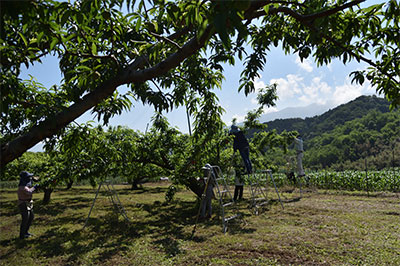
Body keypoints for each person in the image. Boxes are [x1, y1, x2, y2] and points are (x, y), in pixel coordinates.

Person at [17, 171, 39, 239]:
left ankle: (26, 232)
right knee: (25, 219)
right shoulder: (22, 186)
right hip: (23, 204)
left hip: (28, 203)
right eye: (28, 177)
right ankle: (22, 235)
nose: (29, 178)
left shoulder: (26, 184)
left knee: (31, 217)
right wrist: (35, 187)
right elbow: (29, 192)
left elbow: (34, 179)